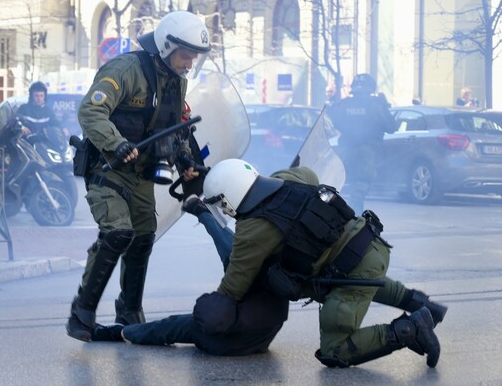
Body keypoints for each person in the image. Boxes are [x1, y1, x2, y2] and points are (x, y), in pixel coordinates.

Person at [91, 159, 447, 367]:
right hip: (369, 244)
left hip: (347, 270)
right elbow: (305, 172)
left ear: (229, 199)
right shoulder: (286, 182)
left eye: (225, 204)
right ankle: (420, 303)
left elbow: (232, 285)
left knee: (335, 350)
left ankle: (410, 329)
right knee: (331, 281)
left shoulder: (251, 233)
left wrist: (213, 306)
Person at [65, 10, 211, 342]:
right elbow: (91, 110)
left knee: (143, 236)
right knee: (118, 232)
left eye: (193, 57)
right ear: (167, 45)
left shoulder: (177, 79)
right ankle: (81, 314)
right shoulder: (127, 69)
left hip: (142, 173)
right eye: (185, 55)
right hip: (109, 169)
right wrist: (116, 144)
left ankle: (130, 311)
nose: (189, 63)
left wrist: (187, 160)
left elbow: (176, 126)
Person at [326, 73, 397, 214]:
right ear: (371, 88)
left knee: (343, 183)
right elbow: (391, 127)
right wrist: (384, 105)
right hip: (366, 151)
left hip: (346, 149)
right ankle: (353, 215)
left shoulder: (344, 104)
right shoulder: (376, 105)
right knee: (360, 186)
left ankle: (339, 212)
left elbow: (334, 121)